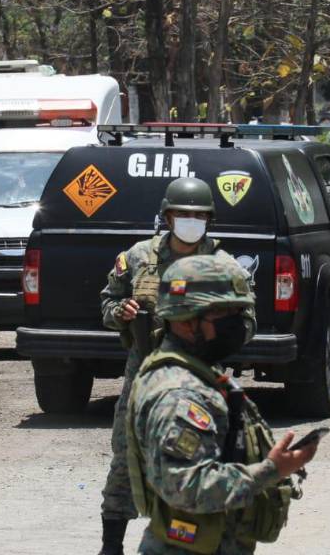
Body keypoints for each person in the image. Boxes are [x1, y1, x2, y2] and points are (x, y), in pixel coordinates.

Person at [127, 253, 316, 554]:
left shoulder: (197, 373)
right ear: (188, 321)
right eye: (225, 313)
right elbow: (185, 486)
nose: (236, 323)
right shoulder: (180, 394)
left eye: (239, 311)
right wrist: (270, 470)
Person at [97, 177, 222, 555]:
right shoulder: (137, 257)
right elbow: (107, 302)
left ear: (208, 220)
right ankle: (111, 545)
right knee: (125, 457)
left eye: (198, 215)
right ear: (167, 217)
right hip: (143, 374)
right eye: (182, 214)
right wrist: (121, 312)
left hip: (194, 378)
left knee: (190, 461)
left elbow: (247, 322)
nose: (190, 220)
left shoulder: (220, 264)